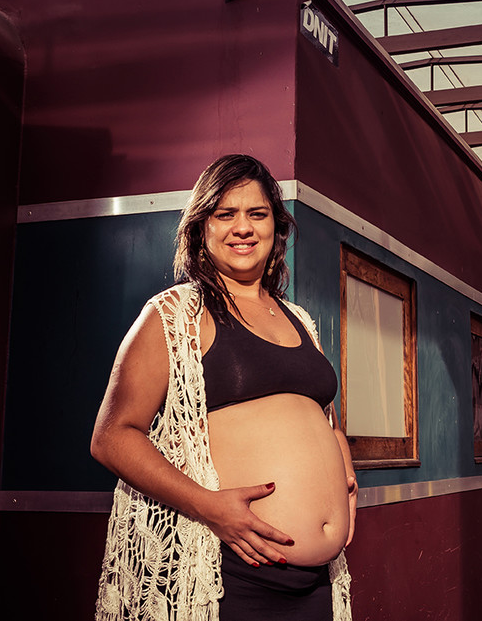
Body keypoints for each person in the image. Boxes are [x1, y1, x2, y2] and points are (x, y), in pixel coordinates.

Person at [90, 154, 356, 621]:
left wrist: (345, 472)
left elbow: (322, 418)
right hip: (232, 576)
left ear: (277, 227)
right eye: (225, 214)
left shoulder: (301, 321)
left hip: (317, 584)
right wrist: (210, 507)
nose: (243, 228)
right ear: (201, 228)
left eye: (257, 214)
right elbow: (112, 436)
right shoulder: (175, 314)